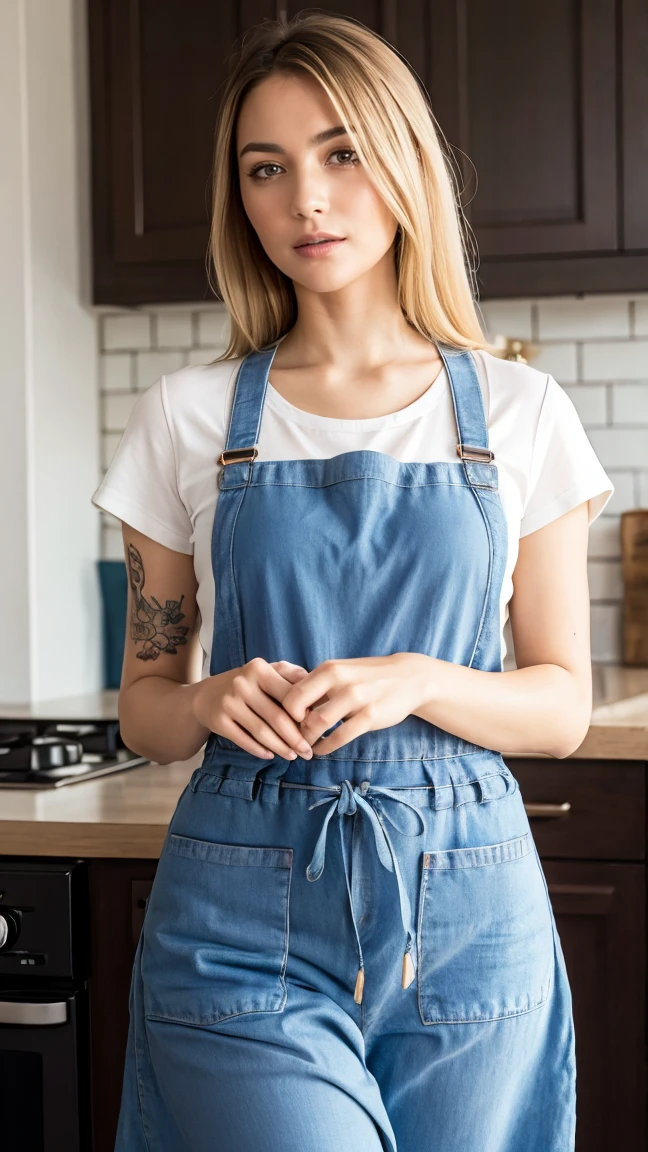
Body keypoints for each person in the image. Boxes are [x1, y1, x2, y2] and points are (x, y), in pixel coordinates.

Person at [92, 12, 614, 1152]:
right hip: (238, 901)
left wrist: (420, 679)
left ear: (407, 167)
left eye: (340, 154)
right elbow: (143, 700)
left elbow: (563, 704)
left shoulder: (520, 413)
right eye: (265, 170)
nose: (305, 201)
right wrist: (203, 700)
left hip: (469, 899)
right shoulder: (187, 417)